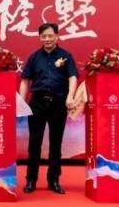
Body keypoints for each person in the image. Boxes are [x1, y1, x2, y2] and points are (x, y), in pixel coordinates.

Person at [19, 23, 78, 195]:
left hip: (58, 103)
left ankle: (54, 180)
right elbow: (25, 80)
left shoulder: (66, 56)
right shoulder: (34, 57)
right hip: (37, 103)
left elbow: (73, 77)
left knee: (56, 143)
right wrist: (21, 102)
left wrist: (70, 96)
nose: (47, 39)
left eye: (50, 36)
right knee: (34, 143)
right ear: (39, 37)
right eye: (43, 36)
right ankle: (31, 180)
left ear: (57, 36)